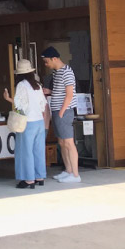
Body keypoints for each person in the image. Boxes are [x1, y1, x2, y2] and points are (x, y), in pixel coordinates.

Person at [3, 59, 48, 189]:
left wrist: (7, 99)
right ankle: (39, 176)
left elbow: (19, 105)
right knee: (38, 150)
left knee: (25, 151)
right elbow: (43, 104)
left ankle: (29, 180)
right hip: (39, 121)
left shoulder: (22, 85)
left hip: (27, 122)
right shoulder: (38, 85)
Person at [41, 47, 80, 184]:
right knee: (61, 142)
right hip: (57, 111)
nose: (46, 64)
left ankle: (75, 174)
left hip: (64, 111)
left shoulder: (67, 72)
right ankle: (68, 171)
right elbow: (62, 91)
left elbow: (70, 94)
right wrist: (50, 91)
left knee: (68, 142)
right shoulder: (56, 72)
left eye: (46, 61)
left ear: (54, 59)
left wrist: (62, 111)